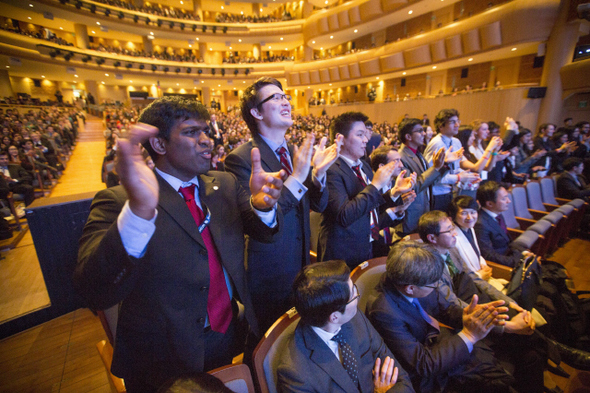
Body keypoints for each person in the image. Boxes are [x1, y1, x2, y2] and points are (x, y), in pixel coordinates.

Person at [74, 96, 285, 393]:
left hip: (224, 334)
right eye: (191, 132)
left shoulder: (223, 183)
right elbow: (93, 289)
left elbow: (265, 233)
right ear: (159, 145)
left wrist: (263, 207)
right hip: (160, 358)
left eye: (206, 131)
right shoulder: (122, 202)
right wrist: (138, 214)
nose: (206, 141)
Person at [225, 77, 341, 333]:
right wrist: (299, 178)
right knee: (269, 340)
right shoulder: (242, 159)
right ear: (256, 112)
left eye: (284, 96)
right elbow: (258, 224)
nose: (285, 101)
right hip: (269, 269)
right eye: (275, 97)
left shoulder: (293, 150)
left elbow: (318, 206)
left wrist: (318, 176)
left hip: (300, 261)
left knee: (298, 334)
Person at [367, 241, 513, 393]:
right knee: (496, 384)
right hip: (423, 374)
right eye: (433, 285)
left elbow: (444, 309)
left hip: (437, 345)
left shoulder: (416, 278)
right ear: (410, 288)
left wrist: (468, 315)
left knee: (499, 375)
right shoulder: (383, 311)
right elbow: (422, 364)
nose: (437, 286)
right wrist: (469, 335)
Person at [277, 260, 414, 393]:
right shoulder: (295, 374)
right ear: (334, 317)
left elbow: (403, 381)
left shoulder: (354, 318)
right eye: (353, 295)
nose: (357, 296)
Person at [317, 112, 415, 268]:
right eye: (360, 134)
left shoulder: (363, 166)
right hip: (343, 252)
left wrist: (394, 193)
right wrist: (375, 185)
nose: (366, 139)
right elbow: (344, 215)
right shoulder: (330, 169)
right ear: (341, 138)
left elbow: (370, 207)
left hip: (367, 243)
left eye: (366, 134)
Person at [423, 109, 481, 212]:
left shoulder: (456, 141)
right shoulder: (437, 143)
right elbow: (431, 176)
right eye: (452, 122)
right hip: (437, 194)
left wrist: (468, 176)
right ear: (441, 126)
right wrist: (458, 177)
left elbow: (456, 168)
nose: (457, 125)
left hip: (451, 191)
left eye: (458, 121)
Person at [397, 118, 447, 235]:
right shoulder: (400, 157)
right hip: (411, 214)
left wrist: (443, 166)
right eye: (419, 131)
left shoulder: (418, 154)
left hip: (424, 209)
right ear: (408, 137)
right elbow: (412, 186)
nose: (424, 133)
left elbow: (430, 182)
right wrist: (435, 168)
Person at [474, 181, 530, 267]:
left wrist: (524, 252)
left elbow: (508, 241)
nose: (509, 201)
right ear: (489, 204)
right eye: (504, 198)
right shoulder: (480, 224)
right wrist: (518, 260)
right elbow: (489, 256)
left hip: (510, 256)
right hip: (502, 266)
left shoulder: (498, 215)